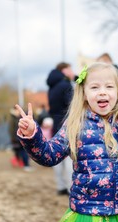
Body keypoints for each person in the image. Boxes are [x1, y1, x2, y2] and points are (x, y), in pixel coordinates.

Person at [15, 62, 118, 222]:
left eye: (109, 87)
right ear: (84, 92)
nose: (102, 93)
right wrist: (32, 135)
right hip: (87, 214)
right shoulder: (75, 124)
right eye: (95, 87)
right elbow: (49, 155)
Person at [46, 62, 75, 195]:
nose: (72, 71)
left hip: (55, 123)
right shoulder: (65, 85)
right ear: (63, 70)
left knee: (56, 154)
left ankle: (60, 185)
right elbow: (72, 105)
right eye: (69, 68)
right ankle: (70, 187)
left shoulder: (52, 87)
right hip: (66, 124)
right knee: (69, 156)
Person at [9, 107, 32, 171]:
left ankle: (23, 163)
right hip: (17, 139)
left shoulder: (17, 117)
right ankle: (26, 165)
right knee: (22, 152)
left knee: (19, 152)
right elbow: (11, 130)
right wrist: (13, 138)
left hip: (19, 138)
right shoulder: (13, 119)